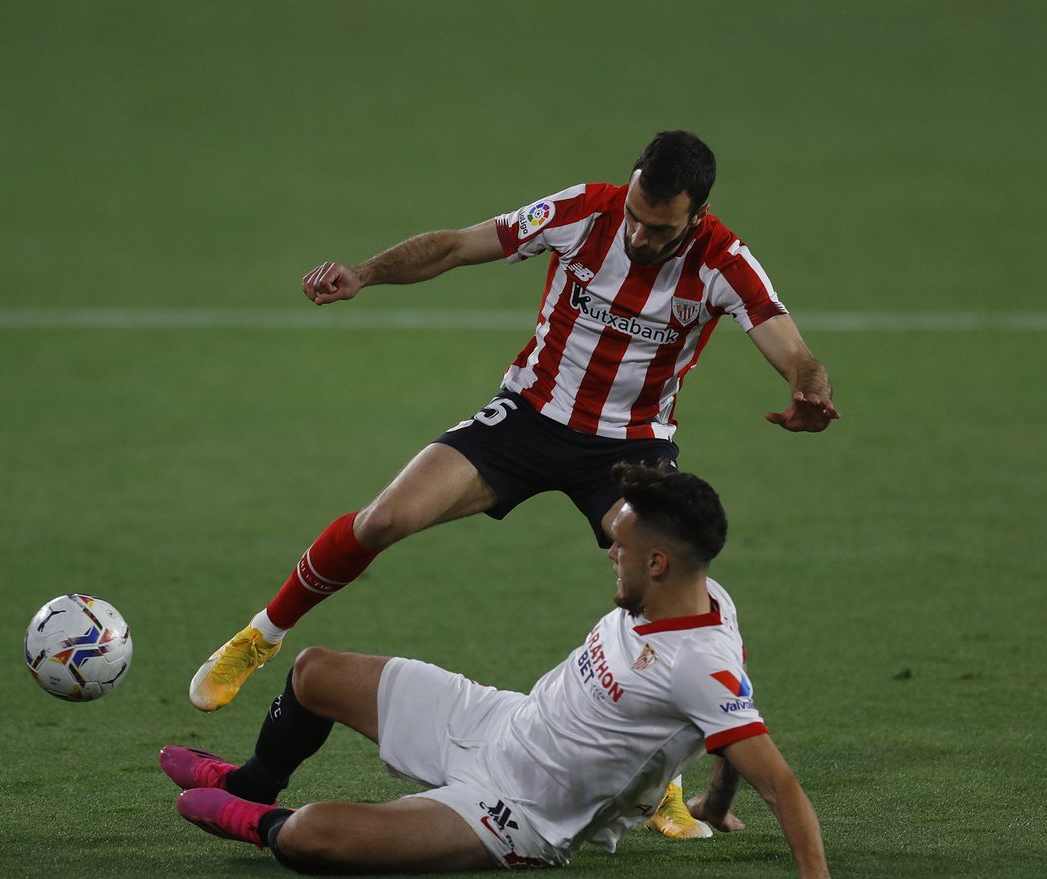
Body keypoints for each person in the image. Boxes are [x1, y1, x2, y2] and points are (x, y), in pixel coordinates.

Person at [188, 129, 839, 839]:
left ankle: (663, 786)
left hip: (630, 446)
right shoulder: (585, 212)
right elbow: (458, 245)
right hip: (527, 419)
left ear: (697, 216)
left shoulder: (725, 262)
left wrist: (809, 391)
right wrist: (365, 273)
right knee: (383, 520)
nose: (641, 235)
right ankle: (262, 635)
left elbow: (793, 349)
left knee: (661, 581)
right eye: (636, 217)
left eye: (660, 229)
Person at [162, 463, 872, 879]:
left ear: (658, 564)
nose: (609, 556)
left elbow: (776, 775)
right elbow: (730, 723)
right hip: (500, 722)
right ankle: (252, 784)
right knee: (315, 671)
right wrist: (715, 804)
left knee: (310, 837)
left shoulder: (696, 661)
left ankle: (254, 823)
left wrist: (815, 878)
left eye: (619, 547)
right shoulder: (697, 599)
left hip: (516, 813)